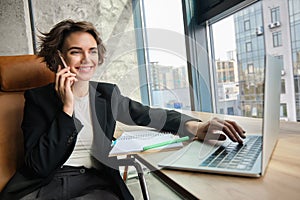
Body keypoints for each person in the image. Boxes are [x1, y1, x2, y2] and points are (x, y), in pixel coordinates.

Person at [0, 19, 245, 200]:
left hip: (92, 184)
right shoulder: (37, 98)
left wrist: (197, 126)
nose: (87, 59)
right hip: (46, 185)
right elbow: (40, 165)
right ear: (59, 57)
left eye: (92, 51)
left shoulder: (107, 95)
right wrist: (67, 109)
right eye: (76, 51)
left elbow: (151, 115)